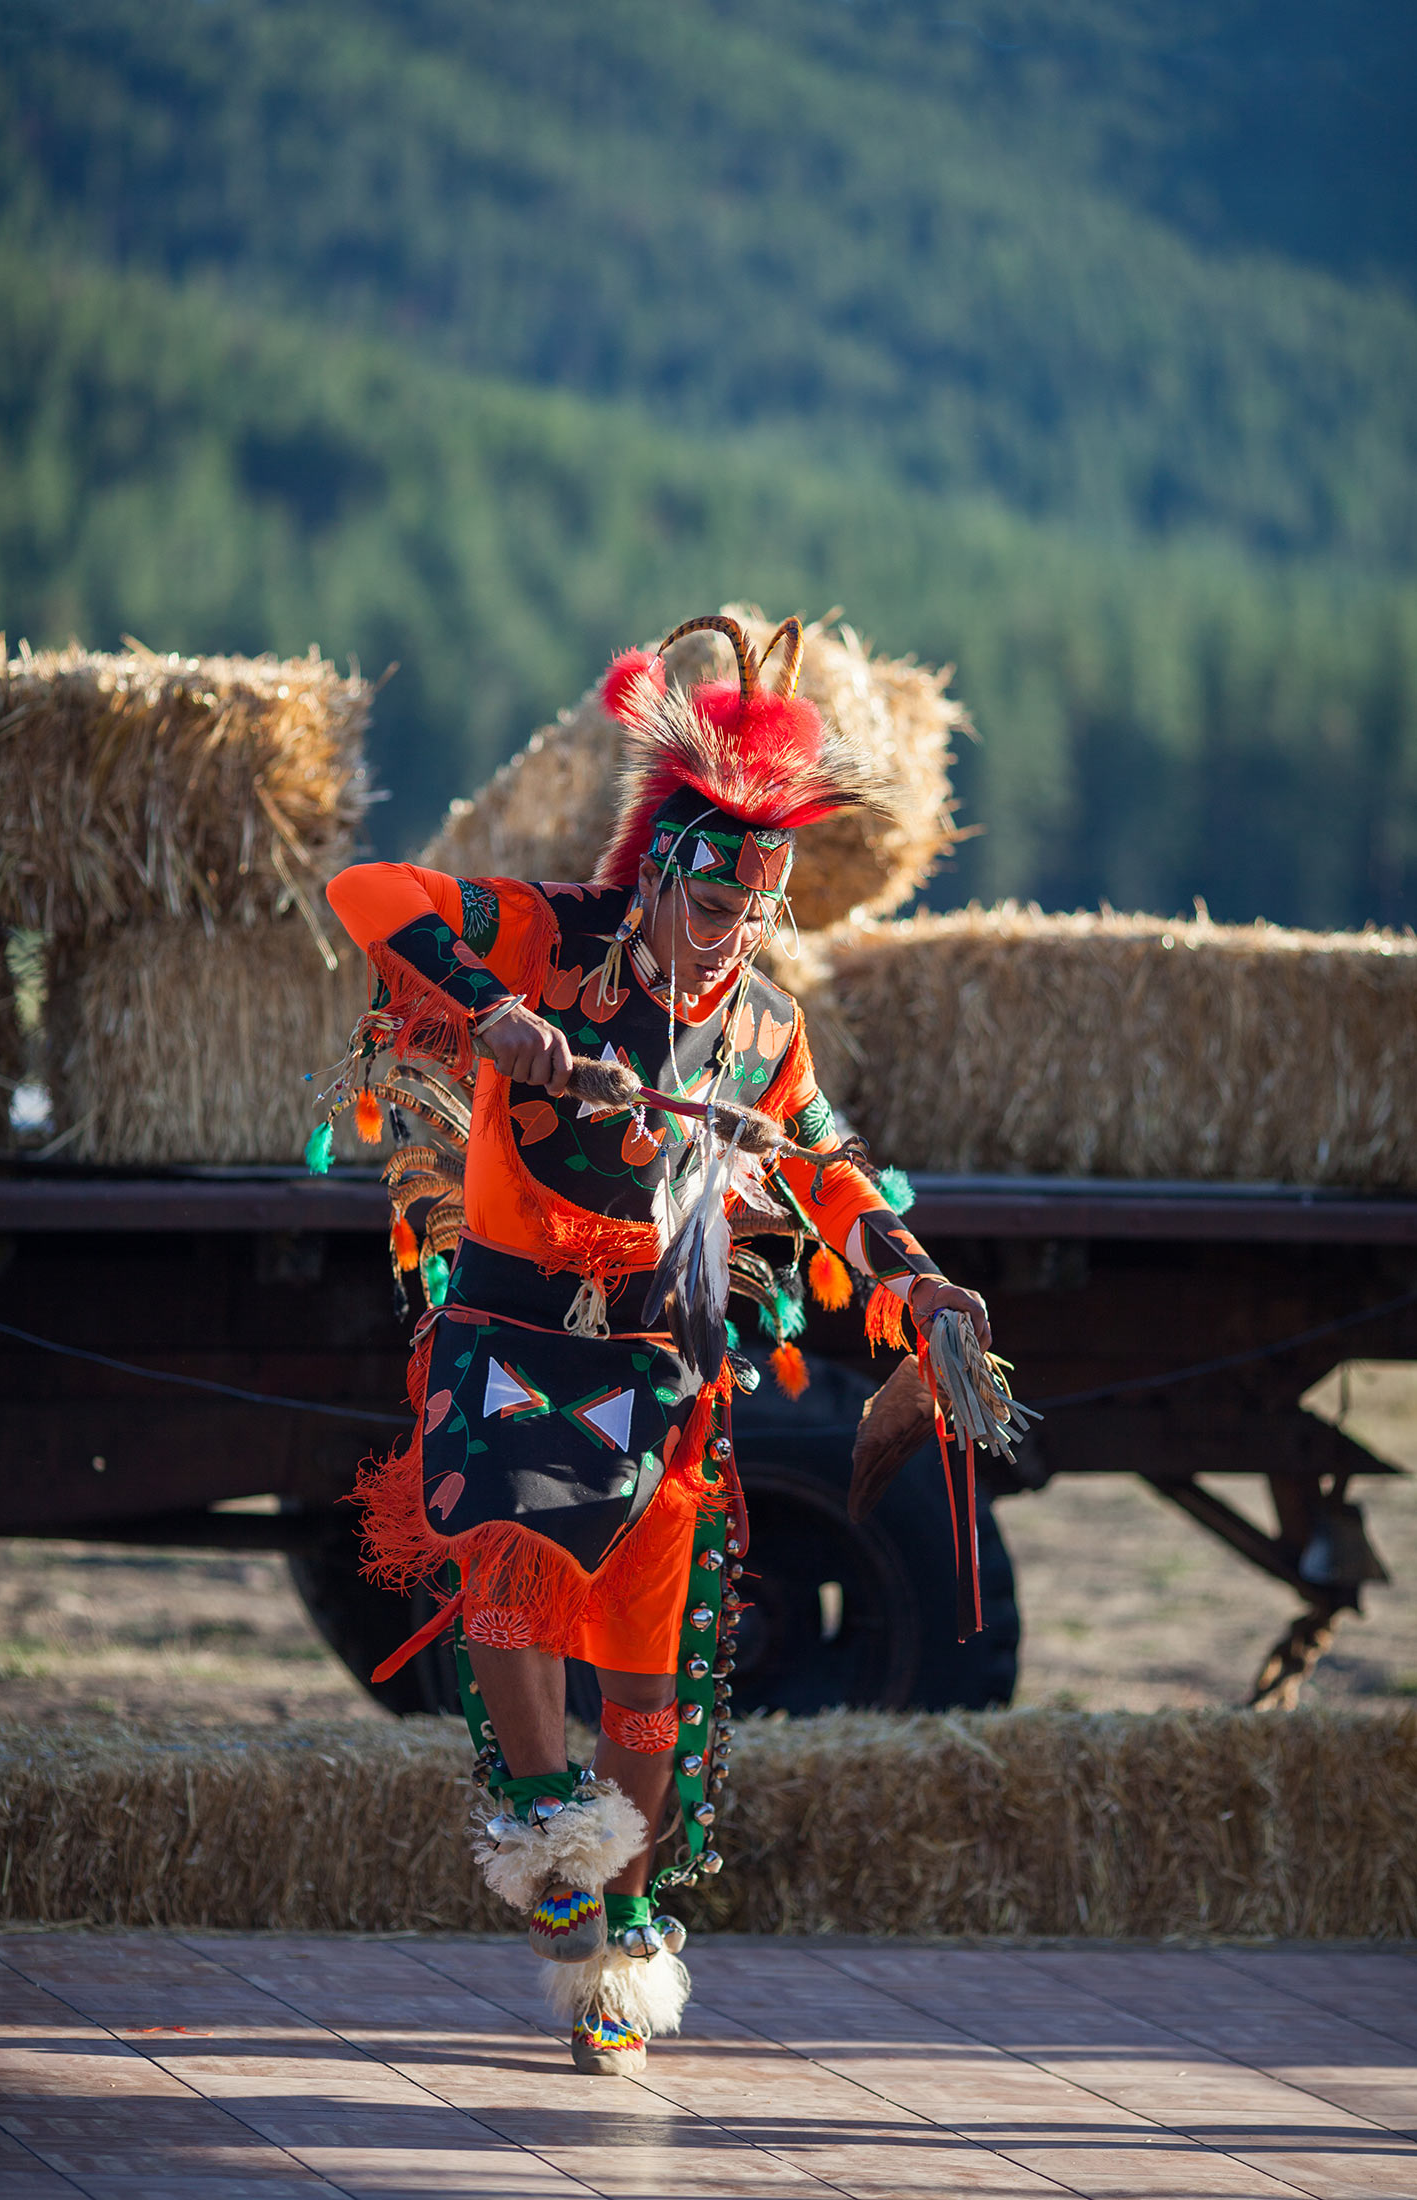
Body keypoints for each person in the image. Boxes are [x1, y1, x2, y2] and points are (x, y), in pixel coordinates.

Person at [325, 614, 991, 2075]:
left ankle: (614, 1940)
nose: (737, 919)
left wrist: (927, 1285)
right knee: (511, 1574)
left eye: (763, 895)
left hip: (660, 1369)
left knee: (651, 1681)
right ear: (666, 866)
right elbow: (368, 888)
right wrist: (495, 1013)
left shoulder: (760, 1031)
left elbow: (828, 1173)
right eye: (715, 888)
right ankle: (554, 1837)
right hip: (516, 1340)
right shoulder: (556, 939)